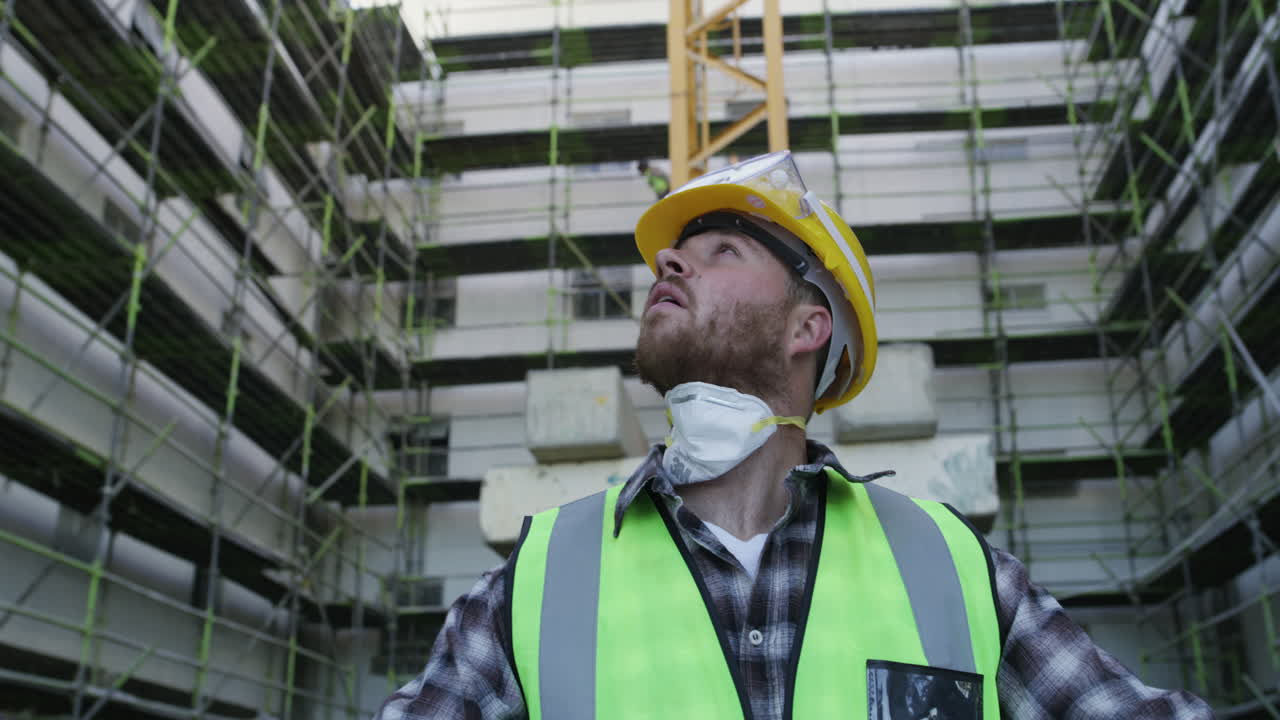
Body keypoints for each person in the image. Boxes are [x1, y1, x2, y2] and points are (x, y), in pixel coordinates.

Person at [376, 151, 1213, 719]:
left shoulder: (954, 571)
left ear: (809, 325)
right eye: (672, 255)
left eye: (721, 249)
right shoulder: (542, 578)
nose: (669, 263)